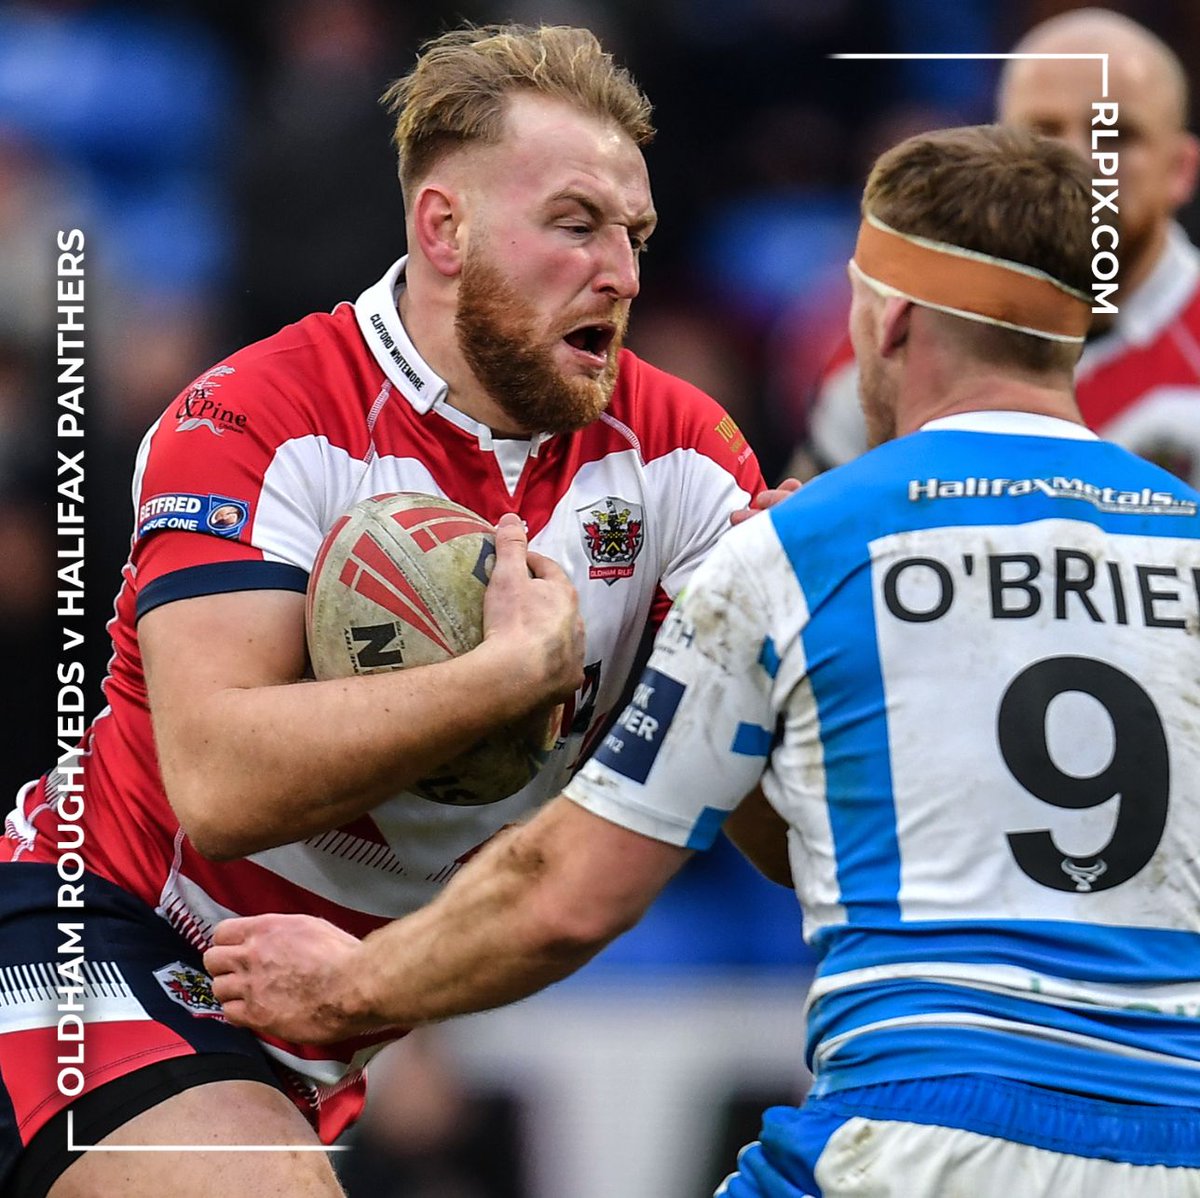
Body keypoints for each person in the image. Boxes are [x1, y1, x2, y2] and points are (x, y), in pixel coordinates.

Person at [207, 124, 1200, 1196]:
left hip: (921, 1130)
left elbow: (566, 895)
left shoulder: (801, 550)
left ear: (891, 316)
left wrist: (347, 989)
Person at [0, 24, 770, 1198]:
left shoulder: (685, 462)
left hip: (331, 1010)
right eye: (575, 223)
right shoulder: (259, 414)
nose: (619, 269)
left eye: (635, 233)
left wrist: (817, 643)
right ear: (443, 229)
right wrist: (510, 677)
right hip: (104, 933)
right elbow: (221, 785)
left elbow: (770, 823)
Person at [797, 7, 1200, 486]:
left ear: (1180, 169)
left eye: (1114, 135)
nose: (1076, 159)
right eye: (1042, 131)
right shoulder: (895, 323)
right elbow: (819, 529)